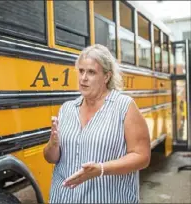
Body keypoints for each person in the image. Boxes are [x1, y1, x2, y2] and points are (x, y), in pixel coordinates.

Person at [43, 44, 151, 203]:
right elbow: (52, 158)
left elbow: (142, 156)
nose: (83, 78)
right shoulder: (67, 109)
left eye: (91, 72)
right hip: (63, 198)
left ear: (106, 77)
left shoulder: (124, 107)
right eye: (81, 71)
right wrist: (52, 145)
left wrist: (101, 169)